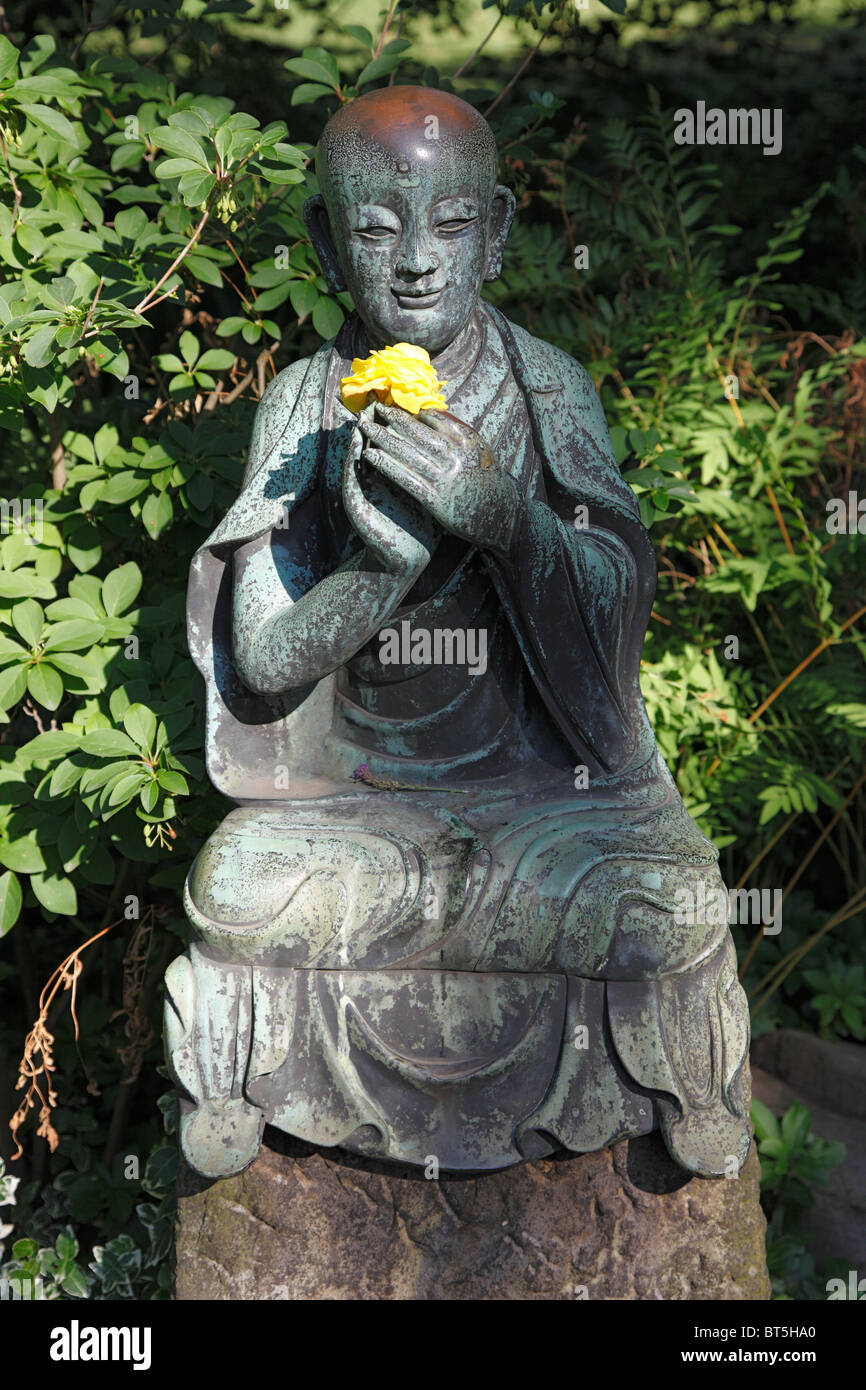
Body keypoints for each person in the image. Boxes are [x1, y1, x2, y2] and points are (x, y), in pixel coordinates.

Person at [166, 86, 751, 1181]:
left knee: (670, 902)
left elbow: (612, 621)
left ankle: (677, 1093)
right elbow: (263, 665)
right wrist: (379, 568)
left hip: (545, 807)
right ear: (327, 248)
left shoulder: (546, 392)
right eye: (377, 229)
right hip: (358, 816)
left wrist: (504, 521)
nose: (416, 262)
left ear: (496, 233)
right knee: (239, 889)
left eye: (449, 223)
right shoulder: (303, 405)